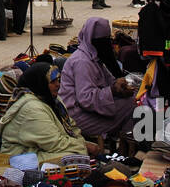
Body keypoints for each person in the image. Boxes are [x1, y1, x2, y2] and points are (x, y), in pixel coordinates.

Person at [58, 16, 136, 145]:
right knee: (132, 107)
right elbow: (86, 99)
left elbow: (109, 80)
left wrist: (119, 88)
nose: (106, 44)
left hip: (85, 110)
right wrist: (112, 91)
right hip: (76, 116)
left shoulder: (93, 58)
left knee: (132, 100)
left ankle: (125, 143)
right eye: (103, 40)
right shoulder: (82, 61)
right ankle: (127, 146)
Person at [0, 64, 97, 164]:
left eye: (58, 80)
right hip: (20, 157)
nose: (57, 84)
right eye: (52, 81)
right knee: (75, 158)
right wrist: (83, 146)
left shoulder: (52, 100)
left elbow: (72, 128)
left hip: (41, 148)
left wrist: (81, 143)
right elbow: (54, 143)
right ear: (40, 83)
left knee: (79, 153)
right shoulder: (32, 108)